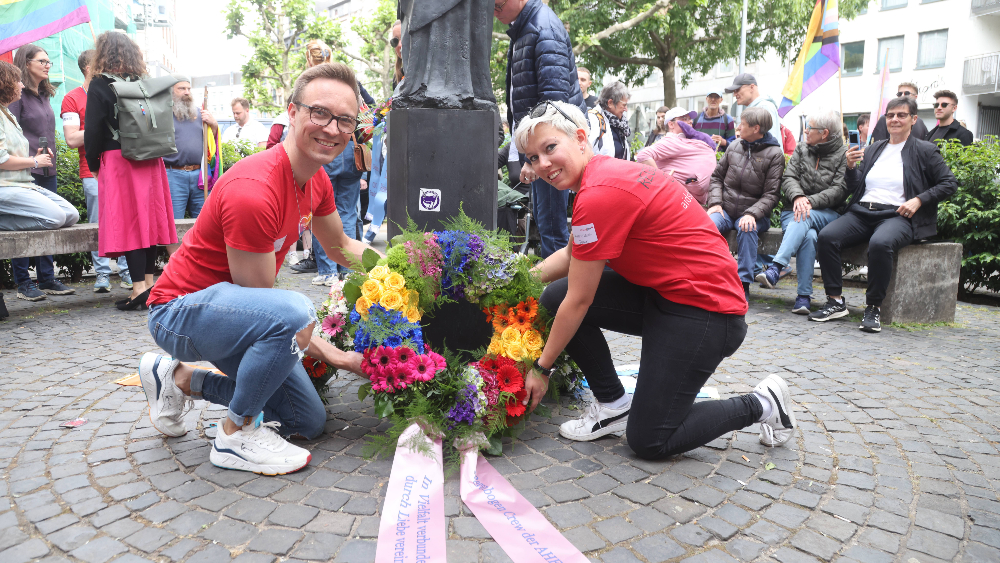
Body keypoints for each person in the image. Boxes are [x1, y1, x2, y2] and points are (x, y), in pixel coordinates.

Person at [512, 101, 796, 457]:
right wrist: (516, 277)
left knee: (650, 439)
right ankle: (614, 404)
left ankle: (763, 403)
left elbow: (581, 300)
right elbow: (572, 256)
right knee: (555, 296)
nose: (543, 164)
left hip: (708, 313)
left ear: (581, 138)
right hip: (668, 295)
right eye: (533, 157)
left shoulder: (599, 193)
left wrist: (541, 368)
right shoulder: (602, 174)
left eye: (550, 148)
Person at [138, 63, 374, 475]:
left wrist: (409, 268)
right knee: (296, 310)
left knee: (307, 420)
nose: (333, 129)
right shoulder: (255, 189)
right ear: (293, 112)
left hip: (237, 314)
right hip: (178, 312)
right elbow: (271, 310)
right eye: (320, 113)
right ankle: (236, 434)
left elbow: (340, 245)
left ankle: (178, 379)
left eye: (345, 120)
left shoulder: (316, 179)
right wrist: (337, 356)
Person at [810, 96, 957, 333]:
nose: (895, 120)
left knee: (880, 244)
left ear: (913, 119)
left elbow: (949, 183)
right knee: (827, 236)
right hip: (862, 212)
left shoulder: (925, 150)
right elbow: (857, 185)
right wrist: (849, 168)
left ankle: (873, 307)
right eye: (890, 115)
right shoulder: (875, 148)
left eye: (901, 115)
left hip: (897, 216)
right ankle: (835, 301)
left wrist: (919, 200)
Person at [85, 32, 177, 311]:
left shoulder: (100, 85)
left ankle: (138, 287)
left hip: (118, 160)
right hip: (150, 159)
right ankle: (148, 285)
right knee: (148, 222)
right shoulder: (145, 84)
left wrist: (93, 166)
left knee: (130, 223)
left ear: (102, 54)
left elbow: (93, 132)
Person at [495, 0, 588, 258]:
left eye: (498, 4)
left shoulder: (542, 28)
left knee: (551, 227)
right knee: (548, 224)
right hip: (546, 147)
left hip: (552, 147)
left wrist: (533, 159)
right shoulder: (527, 27)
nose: (493, 10)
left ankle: (558, 294)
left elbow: (552, 104)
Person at [756, 110, 848, 314]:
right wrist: (798, 197)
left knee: (805, 215)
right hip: (794, 210)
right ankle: (803, 297)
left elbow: (839, 190)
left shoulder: (843, 154)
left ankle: (776, 267)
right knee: (809, 235)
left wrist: (809, 201)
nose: (805, 131)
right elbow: (789, 178)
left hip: (828, 214)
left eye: (810, 127)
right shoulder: (801, 149)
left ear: (824, 133)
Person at [0, 60, 80, 280]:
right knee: (53, 218)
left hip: (23, 185)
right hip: (5, 186)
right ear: (5, 84)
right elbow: (1, 159)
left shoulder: (7, 114)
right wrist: (34, 162)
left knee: (71, 215)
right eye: (17, 81)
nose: (22, 85)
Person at [62, 49, 131, 294]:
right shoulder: (72, 98)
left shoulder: (117, 92)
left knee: (125, 219)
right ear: (89, 68)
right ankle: (102, 274)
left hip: (120, 167)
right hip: (91, 170)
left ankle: (126, 271)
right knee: (98, 223)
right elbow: (71, 139)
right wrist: (98, 126)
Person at [707, 107, 784, 302]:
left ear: (756, 128)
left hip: (755, 214)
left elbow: (771, 195)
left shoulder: (775, 154)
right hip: (725, 209)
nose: (738, 126)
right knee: (708, 226)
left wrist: (751, 214)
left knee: (747, 227)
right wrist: (715, 203)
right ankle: (710, 277)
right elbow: (716, 178)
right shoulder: (734, 146)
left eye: (742, 124)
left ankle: (743, 284)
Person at [163, 79, 219, 224]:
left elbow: (212, 144)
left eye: (188, 88)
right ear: (171, 92)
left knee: (204, 222)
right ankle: (176, 248)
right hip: (173, 175)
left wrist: (213, 125)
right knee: (173, 223)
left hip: (200, 176)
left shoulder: (202, 115)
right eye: (181, 88)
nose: (187, 92)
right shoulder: (163, 115)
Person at [635, 108, 717, 204]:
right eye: (684, 118)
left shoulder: (684, 140)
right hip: (677, 200)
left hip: (691, 200)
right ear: (671, 124)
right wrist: (663, 182)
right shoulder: (671, 141)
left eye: (689, 118)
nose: (690, 121)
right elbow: (643, 155)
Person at [724, 73, 781, 141]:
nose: (734, 94)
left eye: (737, 89)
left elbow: (770, 142)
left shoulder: (764, 107)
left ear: (751, 87)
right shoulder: (758, 107)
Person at [588, 81, 632, 160]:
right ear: (610, 103)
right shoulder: (593, 120)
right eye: (624, 105)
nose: (626, 109)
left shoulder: (619, 123)